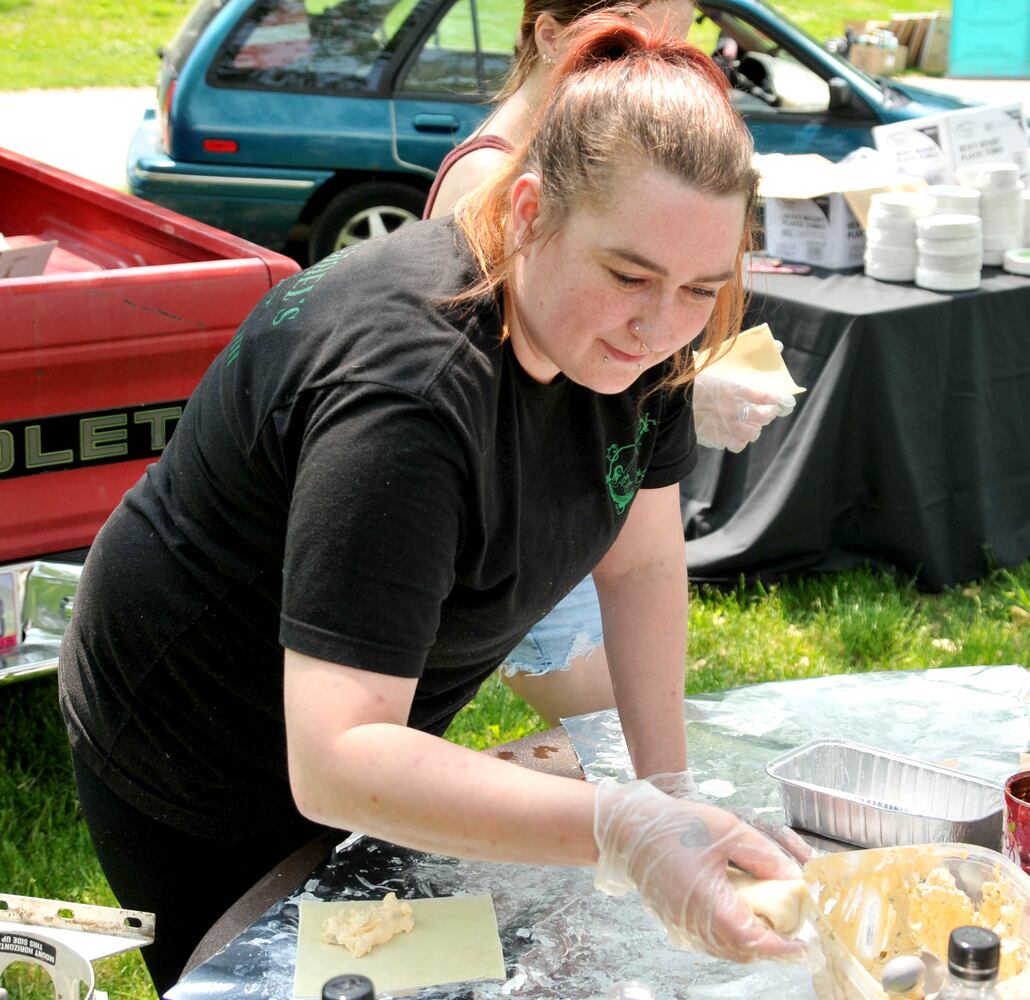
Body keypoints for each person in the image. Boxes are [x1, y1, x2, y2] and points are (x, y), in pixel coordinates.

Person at [59, 15, 808, 997]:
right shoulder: (409, 396)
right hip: (193, 754)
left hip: (358, 720)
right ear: (531, 211)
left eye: (699, 290)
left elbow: (640, 563)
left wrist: (663, 794)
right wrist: (616, 826)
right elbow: (335, 760)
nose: (661, 326)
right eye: (630, 275)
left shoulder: (643, 342)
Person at [424, 0, 796, 726]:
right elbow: (498, 385)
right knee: (606, 741)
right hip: (516, 519)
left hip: (563, 515)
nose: (654, 77)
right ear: (551, 34)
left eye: (676, 46)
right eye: (626, 45)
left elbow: (647, 567)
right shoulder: (491, 185)